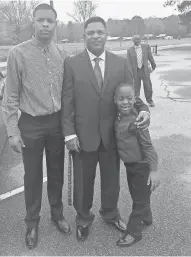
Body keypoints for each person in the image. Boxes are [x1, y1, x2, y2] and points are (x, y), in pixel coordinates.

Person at [61, 16, 151, 241]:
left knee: (111, 181)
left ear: (106, 35)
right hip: (82, 137)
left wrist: (144, 110)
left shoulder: (120, 63)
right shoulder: (72, 63)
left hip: (113, 137)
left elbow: (131, 95)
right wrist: (69, 133)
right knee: (83, 182)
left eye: (100, 32)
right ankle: (83, 218)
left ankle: (110, 214)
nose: (95, 36)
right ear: (84, 36)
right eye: (90, 32)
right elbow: (67, 102)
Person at [2, 4, 71, 249]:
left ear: (55, 24)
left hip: (56, 123)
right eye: (40, 20)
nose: (45, 25)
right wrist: (12, 131)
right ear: (33, 22)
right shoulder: (17, 54)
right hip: (30, 123)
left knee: (56, 172)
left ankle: (57, 214)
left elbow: (69, 93)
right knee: (32, 176)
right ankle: (32, 222)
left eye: (49, 21)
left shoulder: (61, 54)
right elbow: (10, 96)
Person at [114, 83, 160, 247]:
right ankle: (146, 218)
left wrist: (153, 171)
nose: (125, 102)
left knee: (138, 201)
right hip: (130, 166)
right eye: (121, 99)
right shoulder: (118, 116)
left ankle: (134, 232)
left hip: (142, 167)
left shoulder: (138, 121)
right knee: (137, 195)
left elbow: (148, 147)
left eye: (129, 98)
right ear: (115, 100)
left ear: (135, 99)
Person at [127, 34, 156, 107]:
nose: (137, 40)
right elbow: (128, 62)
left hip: (144, 70)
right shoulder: (130, 50)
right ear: (133, 41)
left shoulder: (146, 47)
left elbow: (150, 57)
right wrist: (129, 72)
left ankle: (150, 101)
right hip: (135, 71)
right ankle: (136, 101)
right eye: (135, 39)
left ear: (140, 40)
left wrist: (153, 65)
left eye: (138, 39)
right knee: (136, 87)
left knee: (148, 86)